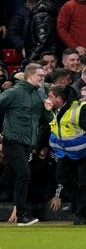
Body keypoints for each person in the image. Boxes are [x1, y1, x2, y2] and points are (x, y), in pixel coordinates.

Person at [0, 63, 49, 226]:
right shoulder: (13, 92)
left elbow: (47, 120)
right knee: (24, 174)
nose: (43, 78)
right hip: (12, 141)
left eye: (43, 76)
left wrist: (48, 110)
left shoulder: (40, 94)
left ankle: (20, 214)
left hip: (28, 144)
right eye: (40, 76)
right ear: (30, 75)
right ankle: (21, 215)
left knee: (8, 179)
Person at [45, 84, 86, 225]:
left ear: (58, 98)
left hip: (84, 152)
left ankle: (81, 215)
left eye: (50, 96)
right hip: (66, 152)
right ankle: (76, 203)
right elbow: (47, 128)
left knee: (83, 183)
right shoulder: (54, 110)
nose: (48, 99)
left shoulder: (79, 109)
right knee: (62, 177)